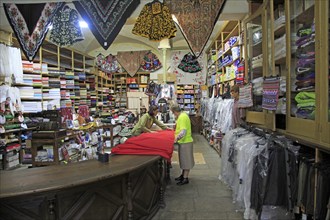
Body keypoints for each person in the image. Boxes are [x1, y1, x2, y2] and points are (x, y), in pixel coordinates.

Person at [171, 104, 194, 185]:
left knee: (186, 161)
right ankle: (183, 175)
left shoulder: (182, 117)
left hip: (186, 142)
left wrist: (176, 139)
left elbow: (183, 131)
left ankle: (185, 178)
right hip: (183, 142)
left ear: (174, 112)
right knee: (183, 160)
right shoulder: (182, 116)